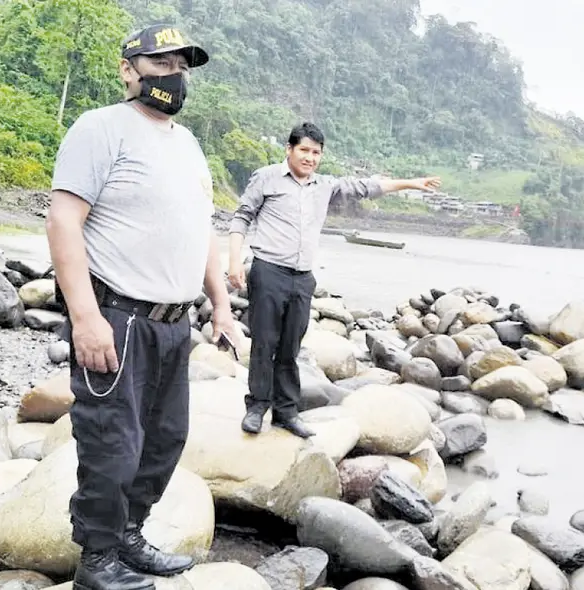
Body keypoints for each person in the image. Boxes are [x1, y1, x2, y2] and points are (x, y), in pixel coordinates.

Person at [46, 24, 237, 590]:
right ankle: (97, 560)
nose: (172, 74)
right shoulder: (102, 128)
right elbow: (63, 219)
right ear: (129, 69)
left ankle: (129, 536)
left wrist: (220, 304)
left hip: (175, 323)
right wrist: (85, 317)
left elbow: (200, 229)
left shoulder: (188, 144)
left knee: (163, 439)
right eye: (159, 63)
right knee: (113, 442)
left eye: (181, 64)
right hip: (118, 318)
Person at [227, 122, 441, 438]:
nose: (310, 158)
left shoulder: (325, 186)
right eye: (304, 150)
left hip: (302, 279)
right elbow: (242, 216)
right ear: (289, 149)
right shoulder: (267, 177)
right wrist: (234, 260)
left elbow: (366, 186)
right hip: (268, 271)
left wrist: (410, 183)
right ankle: (257, 407)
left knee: (290, 347)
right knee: (264, 343)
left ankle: (286, 412)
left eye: (316, 152)